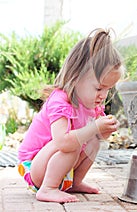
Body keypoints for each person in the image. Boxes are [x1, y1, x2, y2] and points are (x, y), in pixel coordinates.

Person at [17, 28, 123, 203]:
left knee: (92, 142)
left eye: (108, 89)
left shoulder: (92, 103)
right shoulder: (60, 101)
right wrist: (94, 128)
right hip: (35, 165)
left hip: (59, 161)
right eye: (99, 88)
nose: (104, 95)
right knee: (71, 143)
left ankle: (74, 182)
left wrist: (104, 130)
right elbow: (62, 142)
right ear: (76, 78)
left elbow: (94, 136)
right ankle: (48, 188)